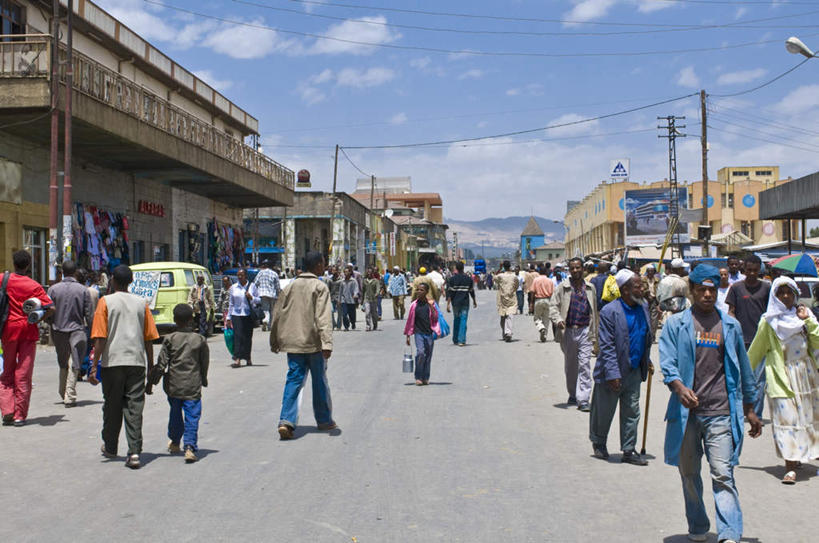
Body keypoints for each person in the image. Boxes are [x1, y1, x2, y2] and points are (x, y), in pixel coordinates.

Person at [659, 264, 761, 543]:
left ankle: (729, 534)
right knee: (689, 474)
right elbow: (667, 364)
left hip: (721, 413)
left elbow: (744, 368)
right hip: (686, 415)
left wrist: (750, 409)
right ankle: (699, 526)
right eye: (701, 289)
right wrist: (679, 387)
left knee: (722, 474)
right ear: (691, 291)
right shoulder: (675, 325)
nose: (707, 294)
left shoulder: (730, 326)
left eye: (711, 289)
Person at [747, 276, 819, 484]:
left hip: (806, 376)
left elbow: (817, 342)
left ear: (796, 294)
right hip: (781, 377)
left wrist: (809, 321)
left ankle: (802, 455)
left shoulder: (805, 316)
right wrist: (741, 376)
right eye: (780, 292)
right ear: (774, 295)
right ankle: (790, 467)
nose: (785, 296)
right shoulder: (768, 321)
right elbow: (756, 352)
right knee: (786, 421)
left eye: (789, 292)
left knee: (808, 420)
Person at [89, 265, 160, 469]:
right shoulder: (141, 303)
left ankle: (111, 447)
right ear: (131, 282)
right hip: (136, 363)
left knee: (111, 406)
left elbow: (100, 338)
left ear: (112, 280)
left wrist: (95, 366)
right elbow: (149, 339)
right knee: (134, 407)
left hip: (113, 363)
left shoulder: (106, 302)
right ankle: (135, 452)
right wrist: (150, 366)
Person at [589, 270, 652, 465]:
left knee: (632, 411)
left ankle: (628, 449)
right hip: (612, 370)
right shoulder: (610, 311)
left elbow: (644, 336)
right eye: (637, 286)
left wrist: (646, 358)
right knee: (604, 410)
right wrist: (613, 373)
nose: (642, 289)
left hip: (633, 369)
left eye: (641, 285)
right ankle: (599, 443)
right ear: (624, 289)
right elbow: (606, 346)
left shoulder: (644, 307)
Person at [270, 251, 335, 439]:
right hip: (313, 344)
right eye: (323, 263)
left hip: (293, 344)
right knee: (319, 381)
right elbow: (323, 317)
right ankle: (324, 420)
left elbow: (277, 315)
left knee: (293, 380)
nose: (324, 266)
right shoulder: (319, 287)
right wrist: (327, 343)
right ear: (317, 266)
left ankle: (286, 421)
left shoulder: (290, 286)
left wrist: (274, 340)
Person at [0, 251, 54, 426]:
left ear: (13, 263)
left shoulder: (3, 279)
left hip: (8, 330)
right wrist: (37, 319)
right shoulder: (34, 285)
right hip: (28, 331)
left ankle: (7, 410)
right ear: (29, 265)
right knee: (23, 374)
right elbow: (51, 308)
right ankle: (19, 416)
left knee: (6, 372)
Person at [153, 304, 209, 463]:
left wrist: (152, 382)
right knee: (192, 416)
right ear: (191, 320)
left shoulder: (170, 339)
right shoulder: (199, 339)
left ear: (175, 320)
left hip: (174, 385)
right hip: (192, 385)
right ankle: (190, 447)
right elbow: (204, 362)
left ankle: (175, 441)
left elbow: (161, 363)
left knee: (175, 413)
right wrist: (203, 379)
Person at [725, 254, 771, 419]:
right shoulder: (736, 288)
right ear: (744, 270)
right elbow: (730, 311)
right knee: (738, 379)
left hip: (760, 342)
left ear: (759, 270)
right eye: (749, 270)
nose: (752, 273)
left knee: (758, 381)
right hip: (740, 342)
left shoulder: (767, 288)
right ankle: (739, 411)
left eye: (755, 270)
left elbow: (771, 313)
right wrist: (734, 326)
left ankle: (755, 414)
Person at [550, 257, 599, 410]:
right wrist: (558, 320)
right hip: (569, 331)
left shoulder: (590, 288)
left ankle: (583, 400)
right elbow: (553, 306)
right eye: (573, 268)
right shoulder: (562, 288)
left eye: (578, 267)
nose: (576, 270)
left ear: (583, 269)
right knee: (571, 366)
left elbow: (594, 311)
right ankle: (573, 393)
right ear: (569, 270)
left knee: (584, 365)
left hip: (585, 330)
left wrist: (595, 333)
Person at [47, 260, 92, 407]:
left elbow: (48, 312)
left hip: (58, 330)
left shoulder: (53, 290)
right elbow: (89, 314)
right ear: (75, 273)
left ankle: (63, 392)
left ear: (62, 273)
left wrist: (52, 325)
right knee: (76, 362)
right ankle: (70, 395)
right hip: (77, 329)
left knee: (62, 361)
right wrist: (92, 331)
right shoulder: (83, 290)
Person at [405, 283, 441, 386]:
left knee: (428, 356)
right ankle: (418, 377)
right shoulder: (414, 305)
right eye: (418, 290)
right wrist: (408, 335)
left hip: (429, 333)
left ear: (426, 292)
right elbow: (409, 321)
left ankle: (425, 377)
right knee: (421, 353)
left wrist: (431, 305)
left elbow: (435, 318)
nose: (419, 292)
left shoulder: (431, 304)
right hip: (418, 333)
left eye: (421, 290)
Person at [225, 268, 260, 368]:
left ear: (246, 276)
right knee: (238, 337)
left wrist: (252, 297)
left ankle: (248, 358)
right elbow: (231, 304)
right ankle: (237, 359)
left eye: (241, 275)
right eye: (238, 275)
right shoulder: (233, 288)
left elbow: (259, 300)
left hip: (248, 315)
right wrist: (228, 318)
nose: (239, 277)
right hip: (236, 315)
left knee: (247, 337)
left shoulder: (252, 286)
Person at [446, 261, 477, 346]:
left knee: (456, 319)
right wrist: (474, 301)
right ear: (463, 268)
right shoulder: (468, 279)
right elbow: (471, 291)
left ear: (456, 268)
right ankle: (461, 340)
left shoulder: (452, 279)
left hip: (455, 303)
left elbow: (450, 293)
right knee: (463, 320)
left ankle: (455, 339)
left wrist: (448, 304)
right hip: (465, 302)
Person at [495, 261, 519, 342]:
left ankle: (506, 333)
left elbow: (494, 278)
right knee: (509, 316)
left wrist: (499, 268)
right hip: (511, 298)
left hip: (502, 299)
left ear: (503, 267)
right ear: (510, 266)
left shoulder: (500, 276)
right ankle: (507, 333)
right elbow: (516, 286)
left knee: (503, 317)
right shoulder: (514, 276)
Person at [253, 261, 280, 332]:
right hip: (272, 294)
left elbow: (255, 283)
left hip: (263, 293)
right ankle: (269, 326)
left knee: (265, 309)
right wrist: (279, 294)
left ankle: (266, 320)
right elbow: (277, 286)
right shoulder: (274, 274)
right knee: (272, 310)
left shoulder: (260, 273)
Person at [532, 266, 555, 343]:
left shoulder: (536, 280)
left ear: (539, 272)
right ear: (546, 272)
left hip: (538, 300)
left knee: (537, 318)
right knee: (546, 319)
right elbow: (552, 293)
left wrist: (531, 303)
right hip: (548, 300)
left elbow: (532, 292)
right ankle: (544, 335)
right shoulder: (550, 281)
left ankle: (541, 328)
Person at [642, 264, 660, 336]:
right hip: (645, 300)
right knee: (646, 318)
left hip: (654, 300)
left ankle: (652, 335)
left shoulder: (657, 280)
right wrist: (647, 294)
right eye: (649, 271)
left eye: (652, 271)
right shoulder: (643, 280)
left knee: (654, 319)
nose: (650, 273)